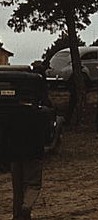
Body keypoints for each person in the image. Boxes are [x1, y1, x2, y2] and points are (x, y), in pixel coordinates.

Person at [2, 74, 53, 220]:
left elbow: (5, 135)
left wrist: (6, 155)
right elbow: (47, 134)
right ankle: (27, 207)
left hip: (15, 155)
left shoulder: (11, 114)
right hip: (34, 153)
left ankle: (17, 214)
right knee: (33, 184)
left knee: (17, 188)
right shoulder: (41, 114)